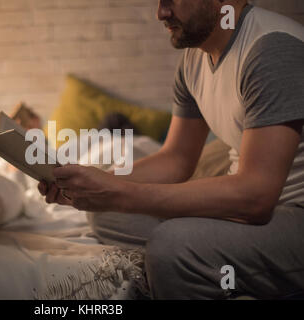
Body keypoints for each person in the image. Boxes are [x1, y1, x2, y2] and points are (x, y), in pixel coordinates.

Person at [38, 0, 304, 299]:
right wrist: (98, 182)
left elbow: (256, 196)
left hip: (291, 214)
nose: (160, 13)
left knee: (174, 244)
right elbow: (176, 160)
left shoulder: (271, 49)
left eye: (171, 1)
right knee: (107, 214)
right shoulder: (194, 59)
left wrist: (121, 193)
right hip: (249, 212)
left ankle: (181, 270)